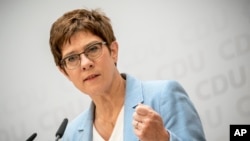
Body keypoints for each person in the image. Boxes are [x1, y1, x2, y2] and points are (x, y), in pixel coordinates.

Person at [49, 8, 206, 141]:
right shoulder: (71, 135)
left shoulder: (164, 96)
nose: (85, 63)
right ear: (64, 72)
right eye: (72, 58)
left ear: (113, 51)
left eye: (93, 49)